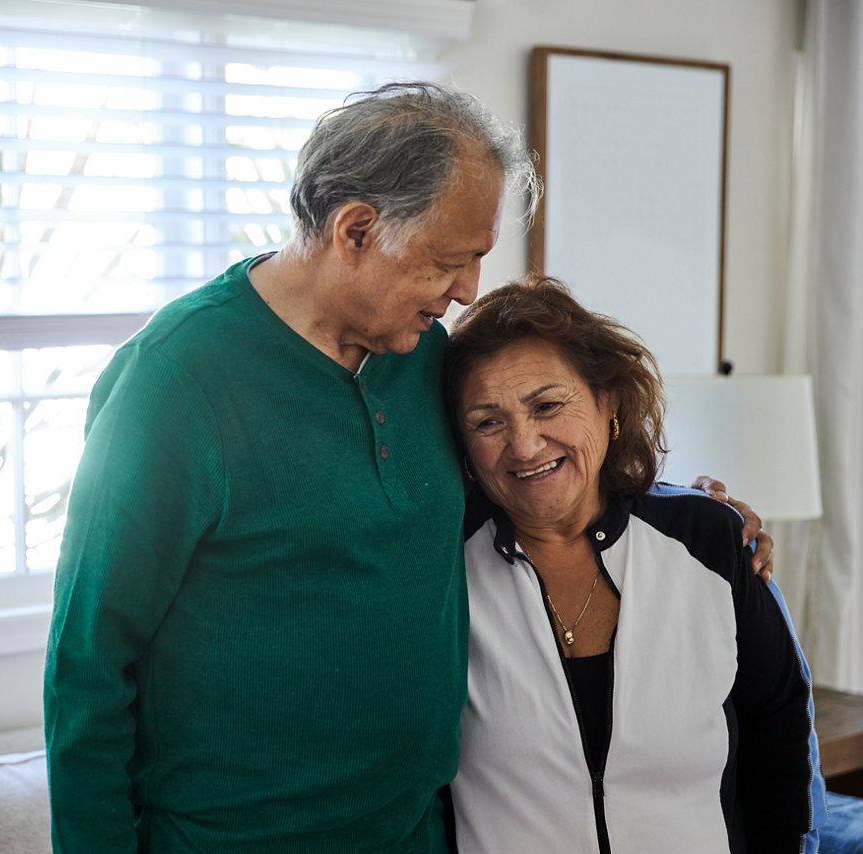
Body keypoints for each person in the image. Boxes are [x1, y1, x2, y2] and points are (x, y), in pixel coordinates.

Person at [43, 81, 773, 852]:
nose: (466, 293)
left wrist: (682, 509)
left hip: (418, 830)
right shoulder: (173, 383)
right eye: (447, 262)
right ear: (356, 229)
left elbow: (518, 470)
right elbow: (88, 662)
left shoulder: (419, 355)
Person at [444, 276, 823, 853]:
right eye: (488, 422)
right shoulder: (438, 569)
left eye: (547, 405)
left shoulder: (712, 541)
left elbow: (783, 745)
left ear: (608, 401)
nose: (523, 445)